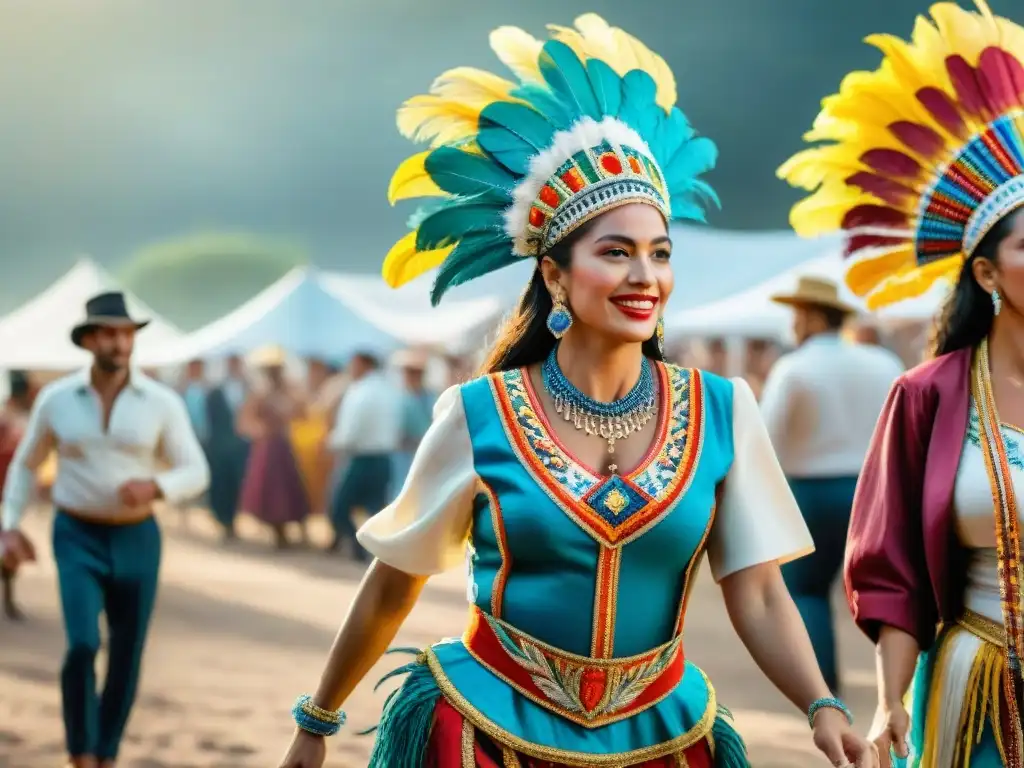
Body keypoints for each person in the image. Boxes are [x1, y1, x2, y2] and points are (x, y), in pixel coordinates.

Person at [278, 15, 876, 768]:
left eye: (659, 253)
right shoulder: (479, 413)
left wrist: (821, 706)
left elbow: (755, 593)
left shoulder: (725, 411)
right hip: (482, 730)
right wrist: (318, 719)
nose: (644, 276)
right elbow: (395, 580)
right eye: (615, 252)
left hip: (662, 735)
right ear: (556, 274)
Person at [778, 2, 1024, 765]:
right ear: (985, 273)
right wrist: (889, 702)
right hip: (978, 687)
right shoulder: (928, 392)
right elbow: (895, 573)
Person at [0, 291, 209, 768]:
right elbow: (26, 466)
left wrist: (155, 486)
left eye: (127, 335)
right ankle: (80, 753)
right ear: (90, 340)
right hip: (75, 534)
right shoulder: (56, 400)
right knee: (81, 645)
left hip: (138, 538)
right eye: (110, 334)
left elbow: (196, 471)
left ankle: (106, 754)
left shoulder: (161, 402)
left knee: (126, 654)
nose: (120, 343)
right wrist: (9, 526)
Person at [759, 276, 903, 694]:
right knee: (887, 592)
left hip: (811, 495)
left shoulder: (793, 367)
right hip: (876, 492)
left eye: (797, 314)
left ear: (812, 315)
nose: (793, 323)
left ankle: (825, 692)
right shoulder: (883, 362)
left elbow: (769, 438)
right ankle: (898, 687)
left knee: (807, 592)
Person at [326, 351, 401, 559]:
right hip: (384, 459)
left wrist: (331, 442)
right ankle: (373, 553)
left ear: (362, 364)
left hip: (360, 458)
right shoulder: (390, 390)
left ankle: (359, 550)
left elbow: (350, 431)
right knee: (375, 511)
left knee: (339, 508)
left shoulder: (359, 391)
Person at [237, 345, 310, 548]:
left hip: (283, 445)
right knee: (271, 490)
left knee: (289, 488)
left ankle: (296, 531)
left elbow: (302, 414)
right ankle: (278, 533)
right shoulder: (260, 394)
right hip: (268, 447)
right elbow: (245, 422)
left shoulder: (290, 392)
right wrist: (262, 430)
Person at [205, 354, 250, 540]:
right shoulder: (215, 392)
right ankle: (224, 521)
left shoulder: (248, 389)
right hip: (220, 448)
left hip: (240, 448)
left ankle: (232, 520)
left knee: (237, 486)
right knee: (221, 486)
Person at [0, 371, 33, 620]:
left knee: (9, 547)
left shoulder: (17, 421)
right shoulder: (14, 421)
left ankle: (9, 599)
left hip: (6, 492)